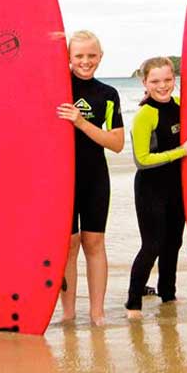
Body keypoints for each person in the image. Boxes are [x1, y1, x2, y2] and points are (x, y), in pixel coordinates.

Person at [124, 57, 187, 317]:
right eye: (155, 81)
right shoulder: (145, 115)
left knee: (174, 242)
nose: (162, 86)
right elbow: (142, 160)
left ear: (175, 79)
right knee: (152, 245)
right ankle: (133, 302)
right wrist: (182, 151)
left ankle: (167, 295)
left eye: (168, 80)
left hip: (177, 186)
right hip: (150, 187)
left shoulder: (182, 105)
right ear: (144, 82)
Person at [61, 30, 125, 325]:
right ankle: (69, 314)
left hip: (94, 178)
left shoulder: (107, 95)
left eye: (91, 56)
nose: (85, 61)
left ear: (100, 57)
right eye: (79, 56)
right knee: (68, 246)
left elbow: (116, 143)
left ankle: (97, 313)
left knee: (94, 243)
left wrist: (81, 122)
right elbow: (22, 126)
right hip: (61, 179)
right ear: (69, 58)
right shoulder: (56, 88)